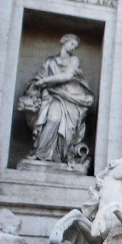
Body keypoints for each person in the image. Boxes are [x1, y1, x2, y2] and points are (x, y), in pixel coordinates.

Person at [24, 34, 95, 164]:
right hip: (52, 95)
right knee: (52, 118)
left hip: (71, 97)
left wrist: (44, 81)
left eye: (75, 46)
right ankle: (40, 153)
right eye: (71, 44)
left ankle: (59, 156)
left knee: (62, 124)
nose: (73, 47)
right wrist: (35, 85)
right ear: (64, 42)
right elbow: (38, 77)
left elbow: (67, 76)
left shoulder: (74, 60)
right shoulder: (50, 61)